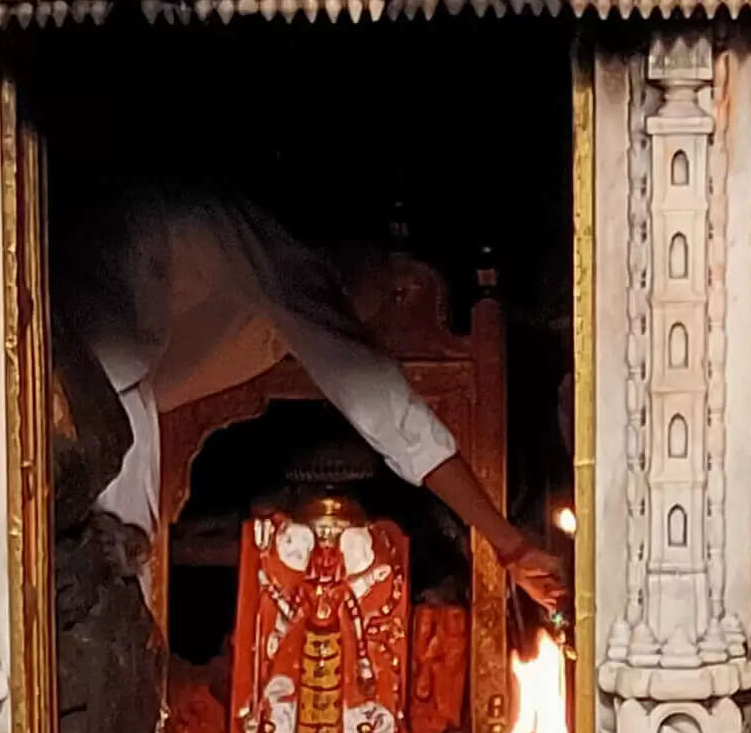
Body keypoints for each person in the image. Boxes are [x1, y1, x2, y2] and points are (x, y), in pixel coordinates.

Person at [52, 173, 568, 612]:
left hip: (91, 391)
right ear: (367, 263)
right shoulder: (279, 255)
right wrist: (510, 545)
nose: (386, 315)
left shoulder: (248, 295)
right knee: (109, 582)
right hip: (84, 392)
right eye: (389, 291)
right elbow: (386, 406)